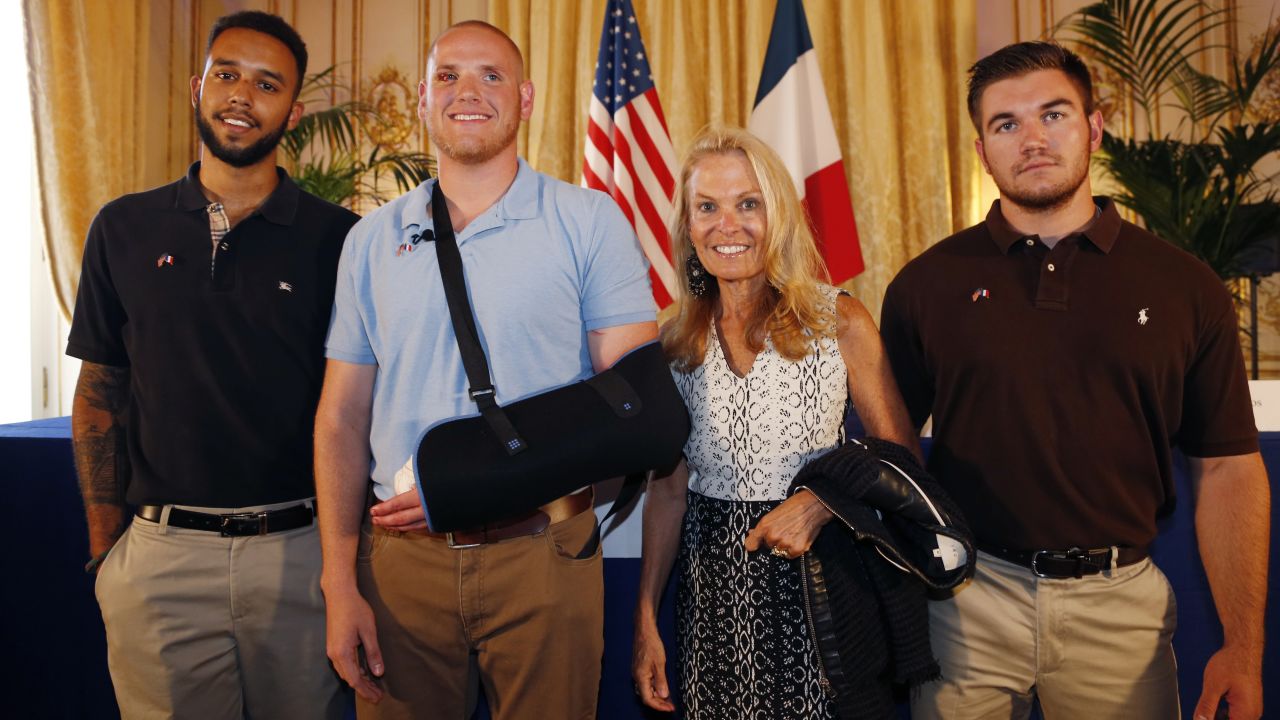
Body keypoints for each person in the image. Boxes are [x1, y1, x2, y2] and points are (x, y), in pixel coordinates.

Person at [880, 41, 1269, 720]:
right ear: (981, 149)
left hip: (1120, 610)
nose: (1031, 139)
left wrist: (1244, 645)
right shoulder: (925, 285)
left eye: (1053, 115)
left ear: (1093, 126)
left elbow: (1229, 469)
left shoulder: (1186, 287)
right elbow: (890, 453)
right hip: (966, 604)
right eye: (1006, 124)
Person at [314, 20, 659, 720]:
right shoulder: (369, 242)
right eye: (449, 76)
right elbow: (342, 417)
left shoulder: (589, 222)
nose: (468, 92)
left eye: (491, 76)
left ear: (526, 99)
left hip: (543, 554)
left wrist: (497, 484)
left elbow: (635, 411)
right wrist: (338, 579)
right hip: (401, 564)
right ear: (421, 97)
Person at [66, 11, 358, 719]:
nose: (240, 95)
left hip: (299, 560)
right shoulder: (122, 226)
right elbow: (100, 393)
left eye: (266, 84)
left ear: (293, 108)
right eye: (226, 74)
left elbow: (357, 409)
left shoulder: (342, 239)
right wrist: (110, 556)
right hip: (159, 564)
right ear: (198, 85)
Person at [630, 126, 921, 718]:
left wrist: (818, 503)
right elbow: (667, 492)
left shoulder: (837, 319)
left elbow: (900, 457)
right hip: (712, 594)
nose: (726, 225)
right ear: (687, 226)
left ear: (779, 215)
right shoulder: (674, 345)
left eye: (748, 204)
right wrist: (645, 620)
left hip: (825, 584)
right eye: (706, 207)